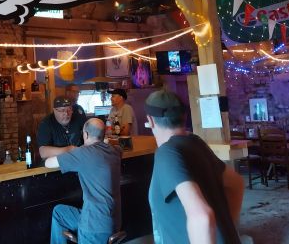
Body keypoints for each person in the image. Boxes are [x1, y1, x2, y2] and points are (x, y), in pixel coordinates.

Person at [144, 89, 244, 244]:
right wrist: (226, 229)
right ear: (183, 116)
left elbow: (202, 217)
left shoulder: (167, 153)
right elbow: (236, 182)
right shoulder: (196, 142)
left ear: (150, 120)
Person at [45, 118, 122, 244]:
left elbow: (48, 163)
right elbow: (116, 146)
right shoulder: (115, 151)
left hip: (94, 227)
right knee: (59, 212)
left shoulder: (82, 153)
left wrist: (70, 150)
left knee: (61, 215)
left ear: (85, 134)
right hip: (115, 222)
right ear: (103, 135)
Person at [37, 96, 86, 160]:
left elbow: (90, 136)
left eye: (69, 110)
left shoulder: (78, 117)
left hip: (80, 159)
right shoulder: (46, 124)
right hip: (58, 163)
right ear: (54, 110)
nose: (66, 114)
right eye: (62, 110)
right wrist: (69, 149)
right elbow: (43, 152)